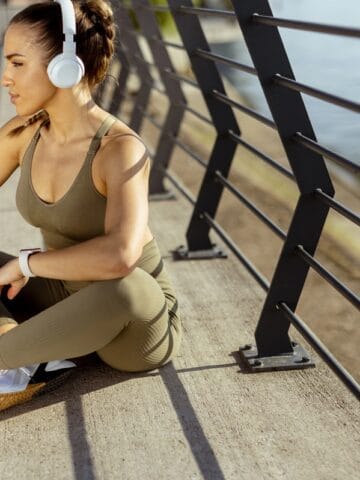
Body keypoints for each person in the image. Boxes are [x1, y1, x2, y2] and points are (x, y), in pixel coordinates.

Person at [0, 0, 182, 412]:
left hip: (133, 327)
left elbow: (121, 257)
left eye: (17, 64)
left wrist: (26, 265)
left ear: (65, 64)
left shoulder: (119, 150)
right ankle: (19, 360)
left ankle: (14, 359)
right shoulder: (23, 133)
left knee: (127, 286)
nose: (5, 78)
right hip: (62, 298)